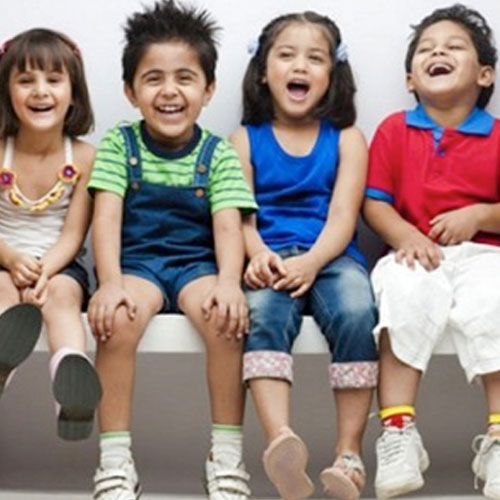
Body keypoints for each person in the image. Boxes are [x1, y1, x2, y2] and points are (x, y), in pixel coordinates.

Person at [87, 1, 257, 499]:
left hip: (196, 265)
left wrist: (229, 283)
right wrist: (110, 283)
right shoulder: (119, 145)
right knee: (116, 321)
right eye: (153, 78)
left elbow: (228, 225)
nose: (169, 91)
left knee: (225, 319)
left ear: (208, 89)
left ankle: (225, 456)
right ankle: (115, 460)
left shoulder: (218, 152)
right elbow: (106, 218)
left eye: (185, 78)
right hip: (137, 265)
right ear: (130, 90)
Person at [231, 11, 378, 500]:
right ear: (263, 71)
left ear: (333, 74)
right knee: (263, 314)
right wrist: (257, 254)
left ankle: (349, 455)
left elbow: (344, 216)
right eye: (286, 55)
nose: (300, 66)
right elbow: (240, 216)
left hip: (331, 256)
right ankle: (281, 444)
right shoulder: (244, 139)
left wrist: (313, 261)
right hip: (269, 257)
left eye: (315, 58)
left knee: (357, 311)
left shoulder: (348, 138)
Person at [364, 4, 500, 499]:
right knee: (401, 299)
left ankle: (498, 438)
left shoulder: (498, 136)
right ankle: (398, 431)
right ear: (410, 79)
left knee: (496, 303)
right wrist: (405, 235)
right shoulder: (394, 130)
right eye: (426, 49)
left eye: (453, 46)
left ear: (484, 75)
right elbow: (374, 204)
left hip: (486, 257)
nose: (437, 52)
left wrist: (479, 216)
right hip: (412, 254)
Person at [0, 28, 101, 441]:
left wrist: (43, 270)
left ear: (73, 92)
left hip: (58, 265)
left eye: (54, 79)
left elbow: (74, 234)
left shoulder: (84, 157)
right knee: (2, 291)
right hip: (3, 259)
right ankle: (3, 360)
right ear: (7, 91)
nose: (40, 91)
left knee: (63, 297)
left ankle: (71, 385)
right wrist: (11, 260)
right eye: (26, 80)